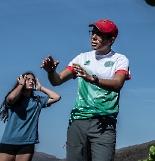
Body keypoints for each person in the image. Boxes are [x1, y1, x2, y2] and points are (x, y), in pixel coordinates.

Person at [41, 19, 131, 161]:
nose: (93, 37)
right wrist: (51, 71)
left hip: (104, 123)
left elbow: (118, 84)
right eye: (93, 33)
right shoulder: (82, 58)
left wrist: (92, 79)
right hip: (78, 121)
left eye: (99, 34)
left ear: (111, 40)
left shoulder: (120, 59)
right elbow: (57, 81)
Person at [0, 72, 61, 161]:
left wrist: (41, 88)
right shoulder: (15, 100)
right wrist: (21, 85)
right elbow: (11, 98)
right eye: (27, 79)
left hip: (27, 143)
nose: (31, 81)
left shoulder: (37, 101)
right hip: (8, 141)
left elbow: (56, 97)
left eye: (33, 80)